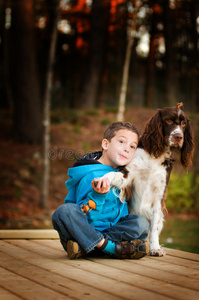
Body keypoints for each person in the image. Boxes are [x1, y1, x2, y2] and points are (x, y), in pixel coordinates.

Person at [52, 122, 149, 260]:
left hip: (109, 233)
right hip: (81, 231)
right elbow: (86, 218)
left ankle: (86, 248)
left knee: (141, 223)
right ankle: (111, 248)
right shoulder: (91, 175)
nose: (127, 149)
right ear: (105, 144)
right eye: (121, 142)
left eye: (132, 146)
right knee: (64, 212)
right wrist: (98, 195)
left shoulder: (123, 175)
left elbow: (122, 216)